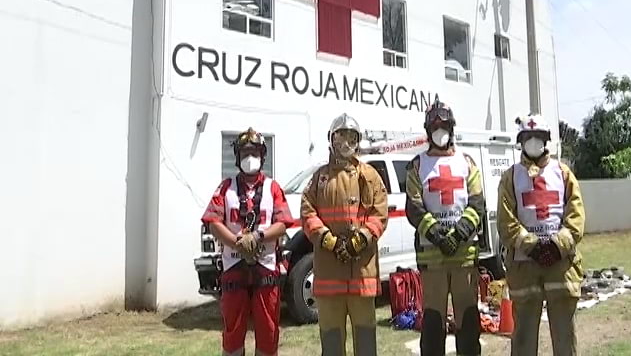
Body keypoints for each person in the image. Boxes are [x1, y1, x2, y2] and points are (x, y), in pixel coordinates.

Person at [497, 114, 585, 356]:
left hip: (560, 265)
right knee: (523, 336)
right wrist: (532, 246)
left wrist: (557, 246)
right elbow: (506, 221)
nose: (533, 142)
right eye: (528, 137)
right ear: (520, 141)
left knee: (564, 337)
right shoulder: (510, 177)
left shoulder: (564, 173)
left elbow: (576, 217)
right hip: (525, 266)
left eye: (538, 138)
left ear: (546, 141)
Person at [201, 128, 295, 356]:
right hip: (233, 269)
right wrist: (236, 242)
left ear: (263, 156)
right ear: (237, 156)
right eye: (244, 153)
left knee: (268, 330)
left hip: (266, 270)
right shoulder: (225, 187)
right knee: (232, 331)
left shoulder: (273, 188)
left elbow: (284, 222)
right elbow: (212, 221)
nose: (249, 158)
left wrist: (259, 237)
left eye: (254, 152)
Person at [300, 113, 388, 356]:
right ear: (331, 139)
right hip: (329, 275)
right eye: (340, 137)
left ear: (358, 141)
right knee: (331, 340)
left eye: (351, 137)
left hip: (361, 275)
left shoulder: (369, 176)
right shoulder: (320, 179)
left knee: (365, 338)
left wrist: (360, 241)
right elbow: (307, 213)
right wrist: (327, 240)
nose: (346, 143)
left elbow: (380, 214)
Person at [405, 97, 484, 355]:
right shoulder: (417, 166)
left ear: (452, 130)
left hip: (465, 258)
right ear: (428, 132)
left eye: (445, 127)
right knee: (433, 324)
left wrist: (459, 234)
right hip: (432, 259)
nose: (440, 133)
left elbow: (477, 204)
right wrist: (438, 235)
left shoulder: (468, 163)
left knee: (469, 321)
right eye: (435, 128)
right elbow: (414, 208)